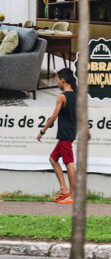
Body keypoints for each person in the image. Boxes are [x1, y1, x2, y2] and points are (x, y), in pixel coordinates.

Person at [37, 68, 84, 205]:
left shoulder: (62, 97)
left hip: (65, 135)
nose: (57, 82)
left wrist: (42, 131)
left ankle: (74, 196)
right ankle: (64, 189)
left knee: (69, 163)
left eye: (57, 79)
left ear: (63, 80)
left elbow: (53, 117)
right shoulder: (76, 95)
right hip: (69, 134)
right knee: (53, 159)